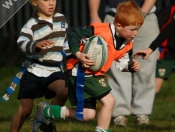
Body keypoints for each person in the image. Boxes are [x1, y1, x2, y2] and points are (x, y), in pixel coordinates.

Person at [32, 1, 144, 132]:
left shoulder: (128, 43)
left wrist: (131, 66)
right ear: (119, 25)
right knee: (109, 101)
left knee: (87, 115)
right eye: (132, 29)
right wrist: (78, 54)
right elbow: (74, 35)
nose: (135, 33)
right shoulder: (100, 30)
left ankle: (46, 111)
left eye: (137, 29)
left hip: (94, 74)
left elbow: (122, 63)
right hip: (80, 70)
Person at [88, 0, 159, 126]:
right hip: (115, 16)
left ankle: (142, 112)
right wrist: (94, 14)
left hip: (146, 16)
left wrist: (142, 14)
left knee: (146, 66)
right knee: (116, 67)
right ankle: (119, 113)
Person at [10, 0, 71, 132]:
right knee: (25, 111)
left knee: (65, 90)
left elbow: (64, 43)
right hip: (33, 70)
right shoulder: (31, 24)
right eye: (46, 0)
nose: (51, 3)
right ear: (34, 2)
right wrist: (35, 45)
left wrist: (73, 56)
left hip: (54, 69)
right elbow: (22, 42)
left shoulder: (61, 19)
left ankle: (45, 119)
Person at [134, 6, 175, 93]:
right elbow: (169, 27)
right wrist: (152, 49)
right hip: (167, 53)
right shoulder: (170, 9)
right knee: (155, 88)